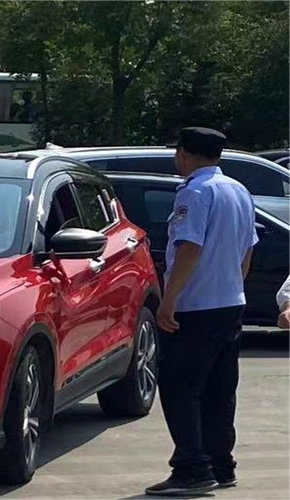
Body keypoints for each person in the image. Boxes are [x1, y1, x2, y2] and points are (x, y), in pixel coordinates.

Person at [146, 127, 259, 496]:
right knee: (219, 390)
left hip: (196, 306)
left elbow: (189, 247)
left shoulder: (195, 192)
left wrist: (169, 300)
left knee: (180, 387)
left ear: (183, 153)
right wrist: (234, 285)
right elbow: (247, 249)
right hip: (230, 302)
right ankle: (220, 464)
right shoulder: (238, 190)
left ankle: (192, 468)